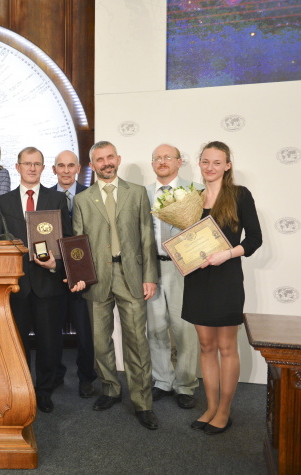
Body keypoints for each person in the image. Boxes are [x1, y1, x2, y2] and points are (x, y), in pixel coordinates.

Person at [70, 141, 159, 430]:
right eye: (99, 159)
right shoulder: (83, 199)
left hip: (131, 275)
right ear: (92, 165)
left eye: (110, 157)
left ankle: (143, 402)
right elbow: (77, 245)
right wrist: (78, 275)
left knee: (136, 341)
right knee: (99, 340)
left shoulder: (137, 193)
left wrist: (150, 276)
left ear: (118, 159)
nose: (106, 163)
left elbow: (147, 236)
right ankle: (110, 388)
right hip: (96, 280)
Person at [183, 141, 262, 435]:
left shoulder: (240, 195)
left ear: (227, 165)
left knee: (227, 347)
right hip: (197, 279)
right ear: (199, 164)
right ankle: (211, 406)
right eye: (205, 161)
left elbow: (254, 239)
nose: (210, 167)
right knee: (206, 347)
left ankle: (225, 411)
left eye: (217, 162)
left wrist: (226, 254)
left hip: (226, 278)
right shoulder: (192, 197)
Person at [0, 147, 71, 413]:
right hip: (16, 285)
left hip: (48, 283)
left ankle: (44, 391)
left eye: (37, 163)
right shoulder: (3, 202)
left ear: (44, 168)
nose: (32, 168)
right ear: (18, 167)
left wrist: (56, 264)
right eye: (27, 163)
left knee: (49, 342)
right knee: (17, 342)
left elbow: (66, 241)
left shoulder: (57, 199)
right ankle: (21, 390)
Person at [145, 144, 201, 409]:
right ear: (152, 163)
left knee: (184, 330)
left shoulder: (195, 191)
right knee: (155, 329)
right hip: (151, 268)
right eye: (157, 158)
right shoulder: (142, 194)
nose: (162, 161)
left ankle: (185, 385)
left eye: (168, 157)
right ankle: (162, 381)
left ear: (179, 162)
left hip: (183, 270)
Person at [50, 150, 98, 399]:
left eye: (71, 166)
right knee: (52, 328)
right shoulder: (45, 197)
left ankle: (86, 377)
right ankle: (55, 375)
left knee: (85, 329)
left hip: (82, 273)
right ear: (54, 169)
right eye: (61, 166)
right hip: (53, 274)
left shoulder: (91, 195)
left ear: (79, 168)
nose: (66, 170)